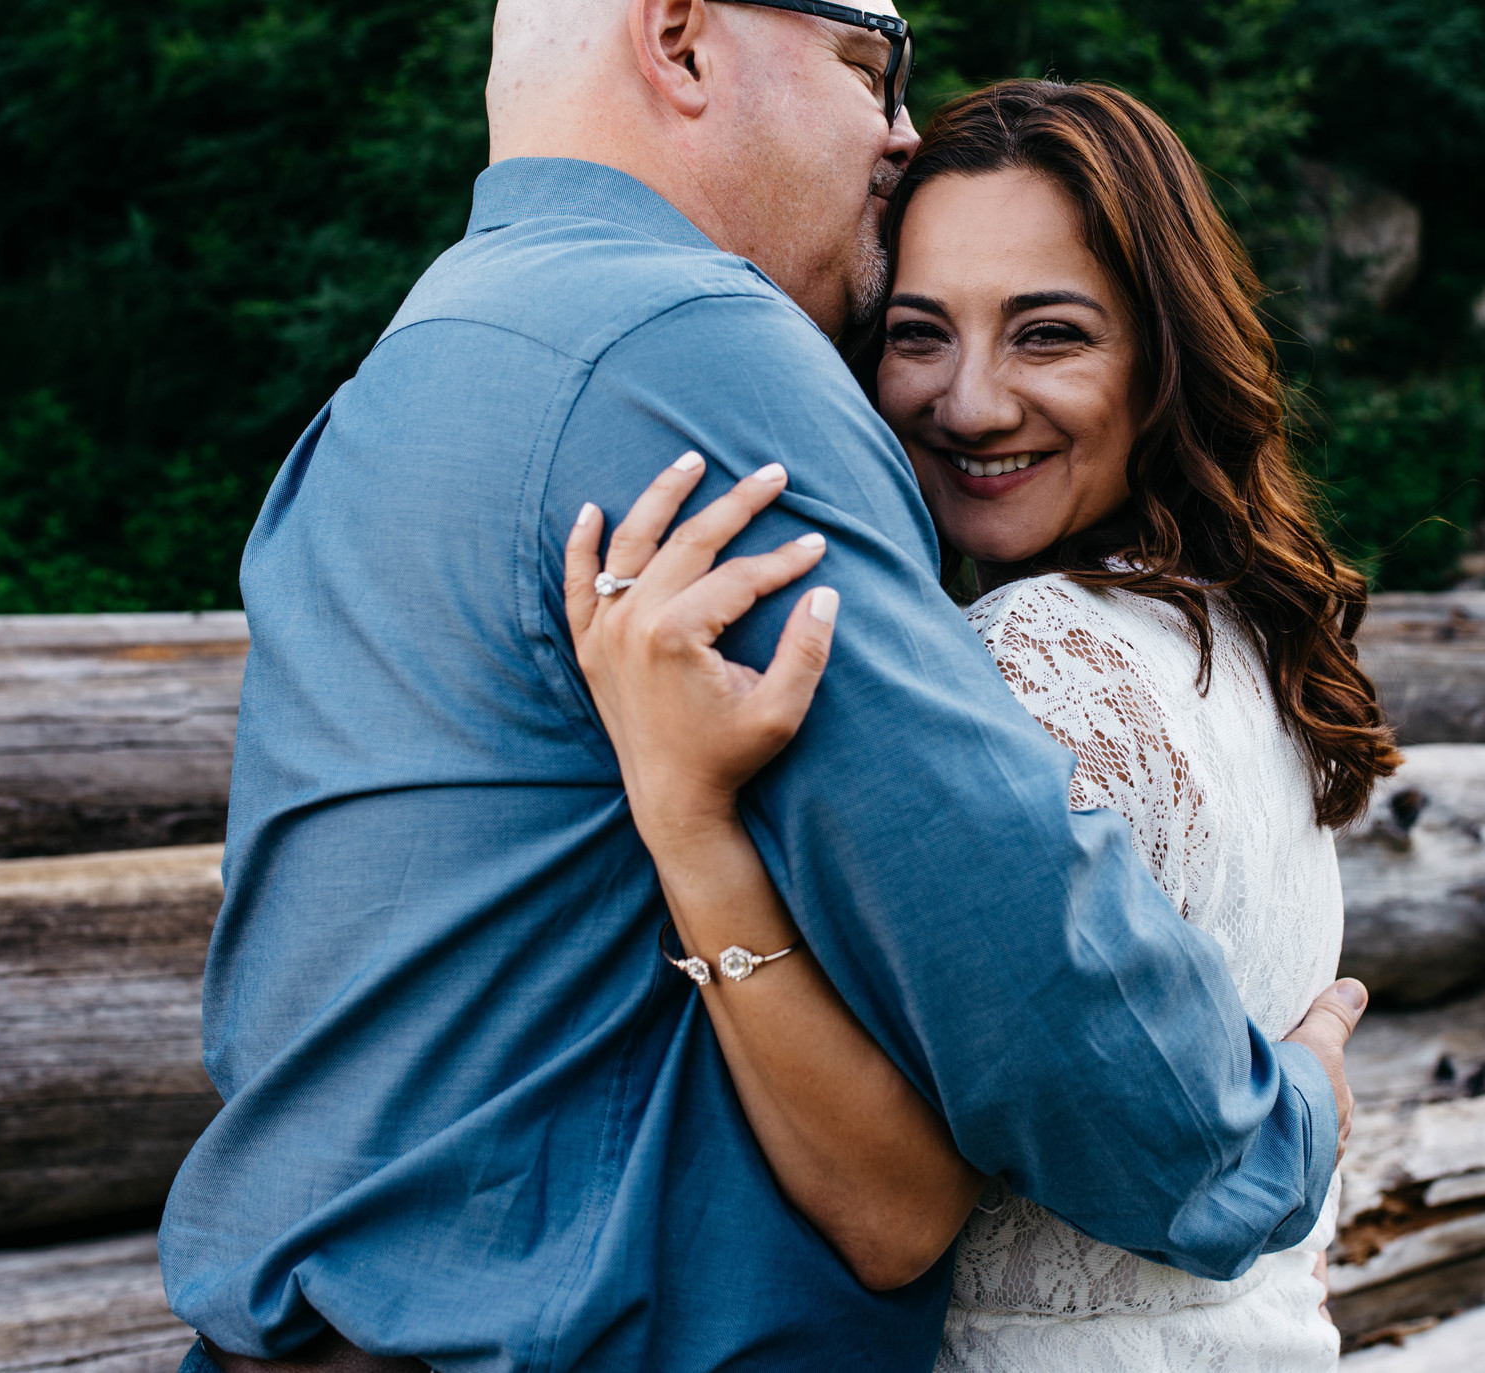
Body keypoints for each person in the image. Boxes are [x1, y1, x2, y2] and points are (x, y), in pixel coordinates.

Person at [158, 0, 1366, 1373]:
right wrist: (1282, 1120)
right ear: (678, 39)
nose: (901, 131)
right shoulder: (698, 350)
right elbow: (1020, 963)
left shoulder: (393, 379)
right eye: (872, 63)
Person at [563, 79, 1397, 1370]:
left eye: (1048, 334)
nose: (969, 402)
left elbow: (890, 1216)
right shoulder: (1232, 631)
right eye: (917, 334)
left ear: (1164, 353)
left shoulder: (1033, 662)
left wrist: (685, 812)